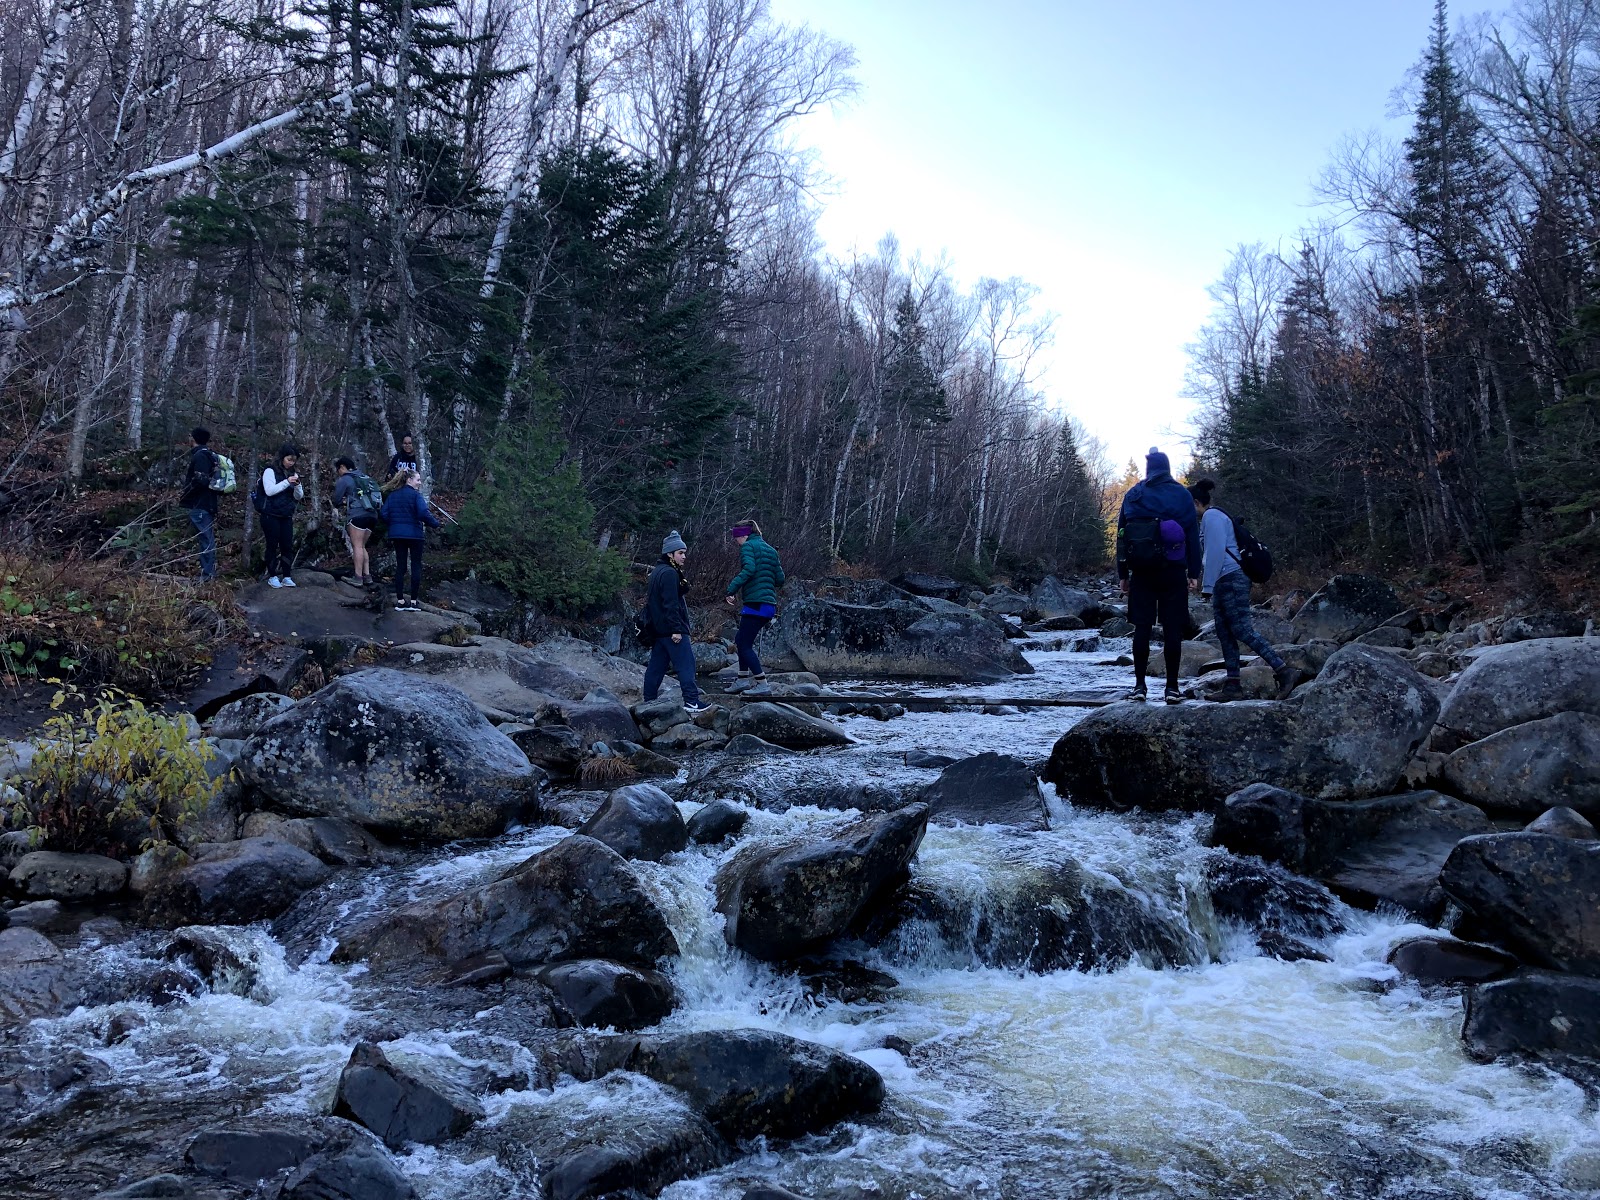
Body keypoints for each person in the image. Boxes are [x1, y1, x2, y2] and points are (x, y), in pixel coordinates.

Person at [1189, 478, 1304, 701]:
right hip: (1225, 579)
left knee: (1241, 629)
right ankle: (1233, 686)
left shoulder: (1212, 517)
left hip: (1232, 578)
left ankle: (1284, 670)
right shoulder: (1212, 517)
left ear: (1195, 502)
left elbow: (1215, 552)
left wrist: (1207, 586)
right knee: (1224, 632)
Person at [1116, 447, 1201, 704]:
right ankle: (1171, 688)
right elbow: (1192, 536)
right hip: (1173, 571)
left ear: (1148, 469)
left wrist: (1123, 574)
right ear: (1167, 468)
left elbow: (1122, 536)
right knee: (1173, 628)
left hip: (1141, 571)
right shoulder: (1182, 495)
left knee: (1141, 628)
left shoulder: (1134, 494)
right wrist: (1194, 572)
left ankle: (1139, 687)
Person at [642, 530, 710, 714]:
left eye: (684, 552)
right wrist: (676, 629)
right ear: (670, 554)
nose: (684, 556)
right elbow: (670, 604)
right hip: (671, 630)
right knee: (686, 665)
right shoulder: (669, 573)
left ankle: (648, 701)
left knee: (656, 667)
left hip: (659, 630)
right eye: (680, 553)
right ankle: (692, 701)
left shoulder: (657, 572)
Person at [723, 519, 785, 692]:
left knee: (743, 645)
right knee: (741, 640)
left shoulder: (748, 547)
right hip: (769, 605)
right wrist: (765, 579)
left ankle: (762, 684)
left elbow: (749, 569)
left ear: (743, 535)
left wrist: (731, 590)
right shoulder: (771, 550)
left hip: (755, 604)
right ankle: (742, 680)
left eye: (736, 538)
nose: (736, 541)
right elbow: (780, 579)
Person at [379, 470, 440, 610]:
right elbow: (423, 513)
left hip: (397, 535)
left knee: (400, 566)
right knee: (416, 566)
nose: (420, 482)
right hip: (415, 535)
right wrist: (435, 524)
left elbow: (384, 513)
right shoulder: (416, 496)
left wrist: (394, 524)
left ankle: (400, 601)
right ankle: (413, 601)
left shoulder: (393, 495)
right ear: (409, 480)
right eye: (418, 480)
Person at [332, 456, 381, 587]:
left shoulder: (346, 479)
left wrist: (340, 504)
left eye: (338, 470)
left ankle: (358, 577)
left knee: (357, 546)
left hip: (357, 515)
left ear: (342, 467)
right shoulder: (365, 477)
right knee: (362, 546)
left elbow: (336, 498)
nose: (338, 473)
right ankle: (367, 576)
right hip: (372, 515)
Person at [259, 445, 304, 588]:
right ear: (282, 458)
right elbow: (270, 491)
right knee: (272, 545)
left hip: (286, 515)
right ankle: (272, 576)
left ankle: (287, 576)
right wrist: (287, 482)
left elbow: (299, 496)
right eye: (289, 459)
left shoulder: (292, 473)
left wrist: (297, 485)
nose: (291, 463)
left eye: (294, 460)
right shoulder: (269, 471)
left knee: (287, 546)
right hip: (270, 514)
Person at [179, 426, 219, 582]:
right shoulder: (209, 455)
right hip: (206, 503)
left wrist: (187, 493)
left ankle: (207, 576)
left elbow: (201, 481)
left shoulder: (201, 456)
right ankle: (207, 573)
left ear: (193, 438)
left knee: (205, 539)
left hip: (200, 504)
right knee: (205, 538)